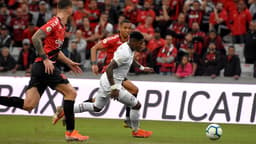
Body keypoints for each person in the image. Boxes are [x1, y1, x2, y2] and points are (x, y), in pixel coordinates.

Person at [0, 0, 88, 142]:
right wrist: (45, 58)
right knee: (71, 93)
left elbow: (56, 51)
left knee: (29, 105)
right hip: (45, 66)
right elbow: (35, 37)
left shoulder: (61, 26)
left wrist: (69, 62)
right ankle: (70, 133)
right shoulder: (55, 22)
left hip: (39, 67)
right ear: (69, 9)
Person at [55, 31, 154, 138]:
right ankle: (136, 131)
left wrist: (142, 68)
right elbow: (109, 69)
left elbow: (131, 60)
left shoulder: (129, 48)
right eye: (140, 43)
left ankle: (65, 110)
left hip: (107, 80)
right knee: (136, 105)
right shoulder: (125, 52)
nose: (142, 45)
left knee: (97, 107)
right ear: (134, 42)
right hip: (111, 82)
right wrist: (114, 88)